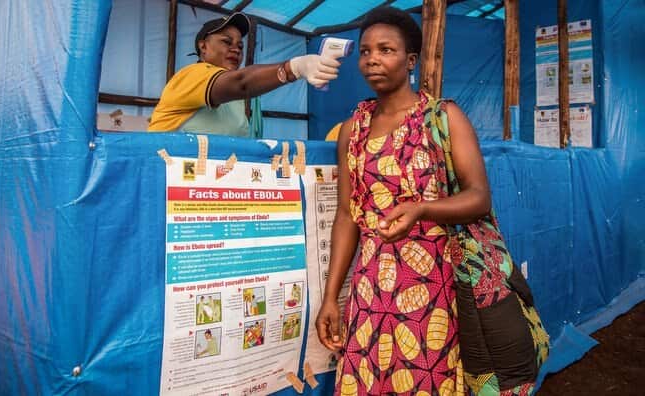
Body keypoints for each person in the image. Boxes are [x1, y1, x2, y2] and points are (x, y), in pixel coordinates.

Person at [316, 7, 548, 396]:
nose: (373, 59)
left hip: (435, 284)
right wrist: (331, 298)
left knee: (427, 378)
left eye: (386, 50)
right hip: (371, 289)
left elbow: (478, 196)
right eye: (366, 51)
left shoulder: (442, 116)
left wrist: (423, 209)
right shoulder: (352, 129)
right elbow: (346, 215)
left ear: (410, 60)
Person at [148, 12, 340, 136]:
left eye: (240, 45)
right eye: (226, 42)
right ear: (203, 46)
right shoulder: (191, 75)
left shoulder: (234, 99)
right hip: (166, 184)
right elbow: (242, 83)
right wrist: (294, 68)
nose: (236, 49)